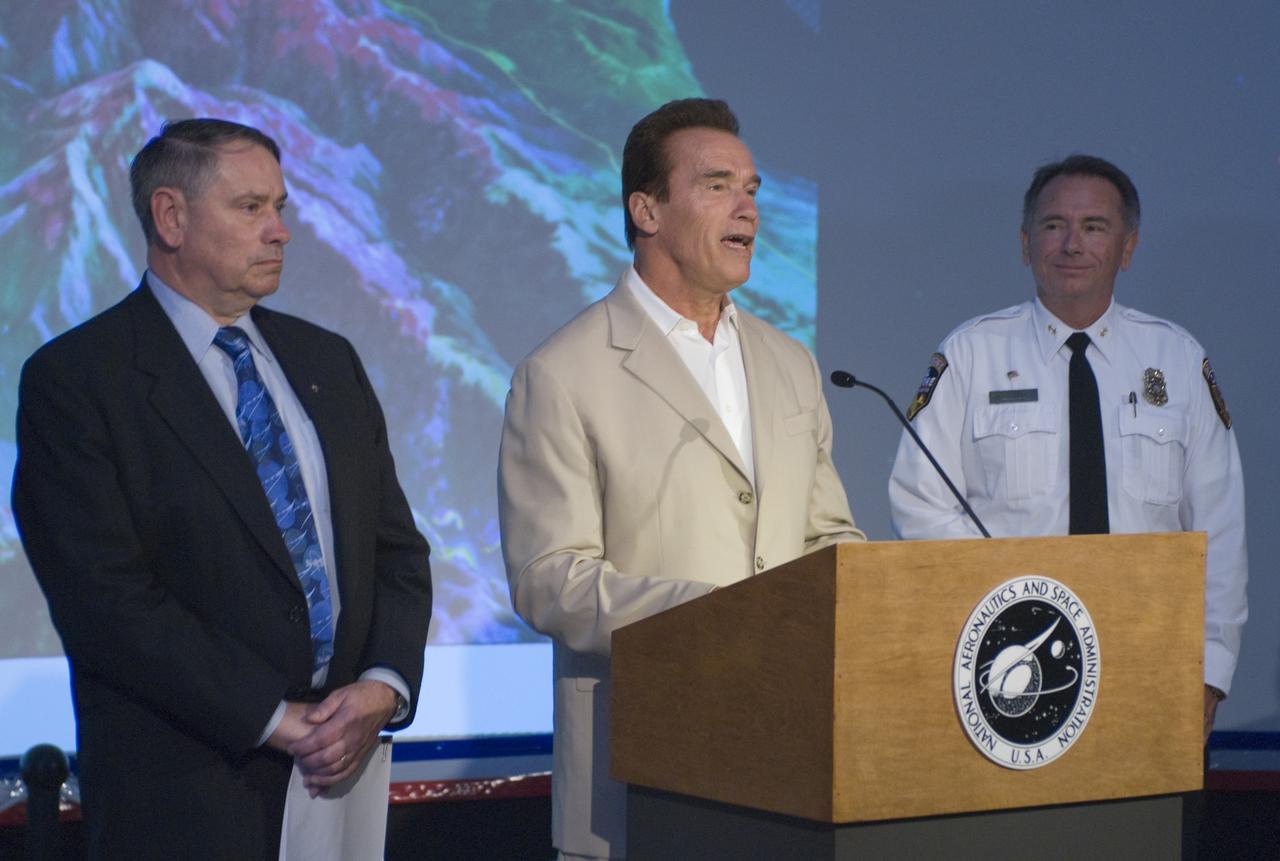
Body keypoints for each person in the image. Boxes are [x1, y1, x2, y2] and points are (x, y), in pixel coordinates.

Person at [11, 118, 433, 859]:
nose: (280, 232)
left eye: (281, 207)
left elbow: (394, 551)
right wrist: (276, 717)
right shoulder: (79, 380)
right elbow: (105, 599)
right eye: (250, 208)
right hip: (185, 796)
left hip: (341, 785)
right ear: (171, 217)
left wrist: (382, 685)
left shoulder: (326, 360)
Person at [498, 98, 864, 859]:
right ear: (647, 210)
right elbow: (549, 577)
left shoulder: (787, 361)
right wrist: (711, 614)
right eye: (719, 185)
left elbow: (828, 534)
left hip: (788, 771)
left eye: (754, 189)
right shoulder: (562, 372)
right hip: (642, 778)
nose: (748, 209)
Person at [888, 154, 1247, 741]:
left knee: (1142, 832)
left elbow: (1220, 529)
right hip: (1008, 660)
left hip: (1148, 657)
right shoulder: (971, 354)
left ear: (1127, 248)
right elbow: (918, 503)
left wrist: (1211, 671)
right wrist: (1009, 604)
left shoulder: (1178, 360)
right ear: (1026, 245)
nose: (1072, 244)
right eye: (1054, 225)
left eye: (1095, 227)